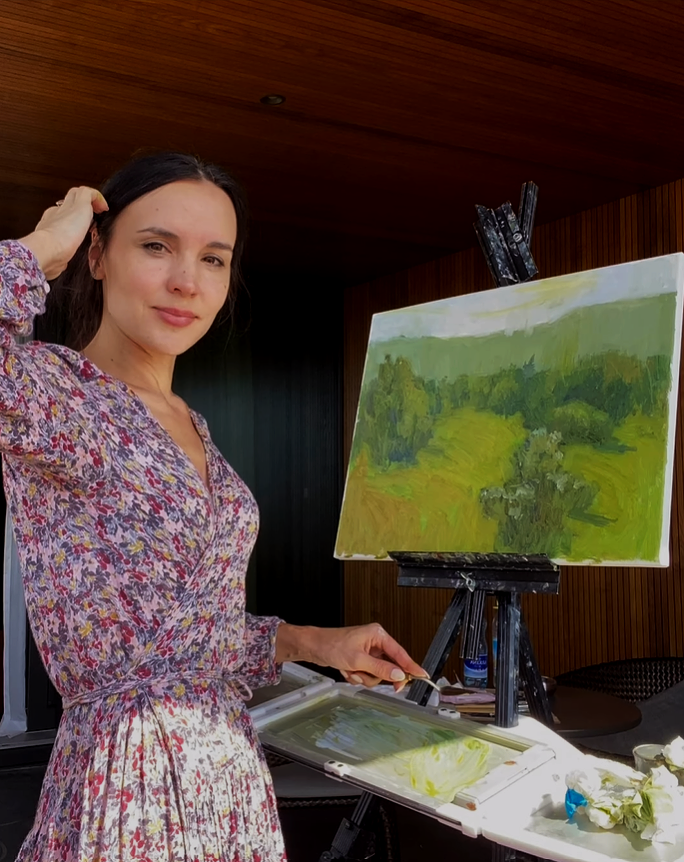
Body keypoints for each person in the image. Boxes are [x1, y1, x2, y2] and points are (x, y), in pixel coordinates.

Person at [1, 152, 427, 862]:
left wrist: (310, 642)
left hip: (227, 778)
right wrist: (43, 248)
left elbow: (188, 638)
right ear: (98, 254)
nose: (185, 282)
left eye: (214, 259)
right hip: (130, 786)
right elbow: (141, 667)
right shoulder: (59, 396)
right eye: (156, 246)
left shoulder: (191, 424)